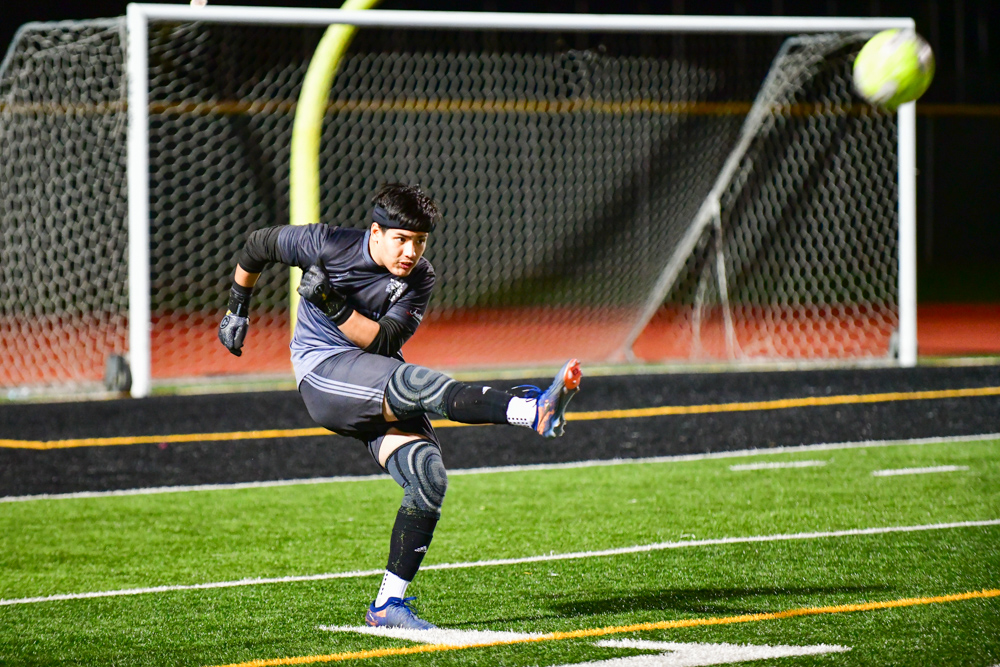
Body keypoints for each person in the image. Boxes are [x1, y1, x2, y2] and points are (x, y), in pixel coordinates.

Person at [217, 183, 581, 630]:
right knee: (419, 383)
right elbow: (257, 245)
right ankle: (532, 412)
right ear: (376, 232)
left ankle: (387, 605)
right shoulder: (325, 243)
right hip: (324, 373)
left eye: (420, 241)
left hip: (373, 371)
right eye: (401, 239)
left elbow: (384, 340)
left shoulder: (421, 277)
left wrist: (331, 303)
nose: (411, 252)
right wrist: (237, 308)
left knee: (428, 477)